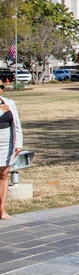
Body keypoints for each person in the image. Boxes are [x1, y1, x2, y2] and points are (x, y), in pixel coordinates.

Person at [0, 92, 24, 221]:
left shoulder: (9, 102)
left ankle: (2, 208)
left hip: (6, 144)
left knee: (4, 174)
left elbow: (17, 125)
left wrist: (18, 144)